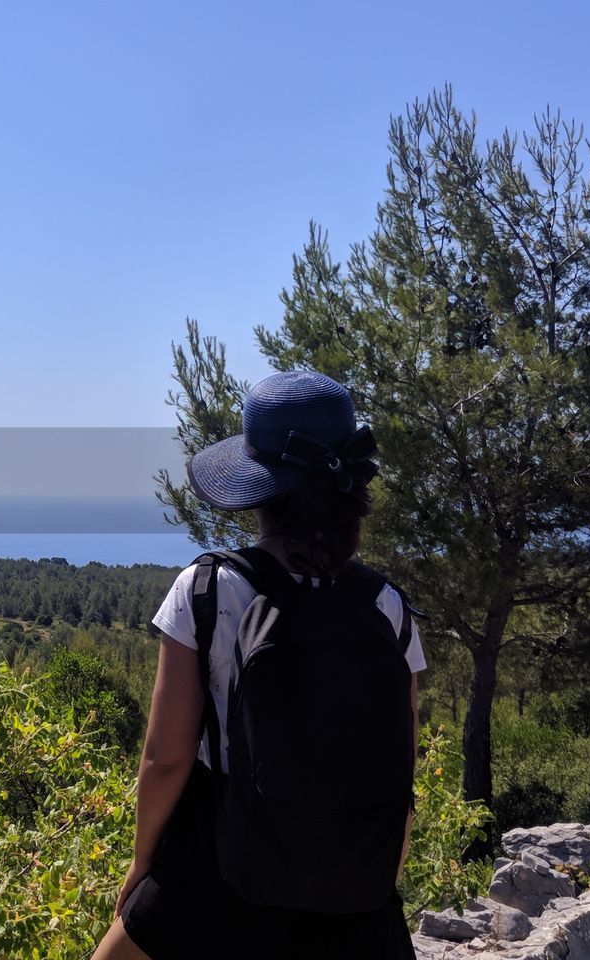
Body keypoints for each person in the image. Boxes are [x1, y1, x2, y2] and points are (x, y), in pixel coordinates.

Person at [92, 370, 425, 960]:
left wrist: (144, 864)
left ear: (261, 488)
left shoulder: (207, 590)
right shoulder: (387, 605)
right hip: (353, 884)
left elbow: (166, 759)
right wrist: (375, 881)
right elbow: (402, 770)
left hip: (220, 861)